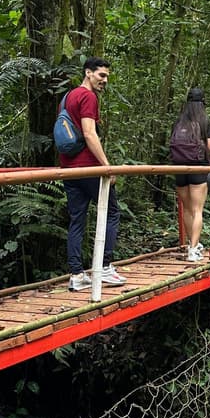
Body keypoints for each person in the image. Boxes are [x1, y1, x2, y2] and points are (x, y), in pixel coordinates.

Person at [58, 57, 127, 292]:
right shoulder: (88, 97)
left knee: (77, 219)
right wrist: (107, 166)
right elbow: (89, 134)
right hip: (88, 167)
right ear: (88, 73)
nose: (105, 80)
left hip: (69, 169)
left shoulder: (68, 97)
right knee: (111, 212)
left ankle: (76, 274)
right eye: (101, 75)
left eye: (107, 76)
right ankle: (105, 267)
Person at [170, 88, 210, 262]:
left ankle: (192, 244)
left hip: (179, 168)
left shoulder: (179, 121)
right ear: (202, 103)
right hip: (198, 167)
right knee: (197, 209)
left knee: (187, 209)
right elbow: (208, 146)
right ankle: (193, 250)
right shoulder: (204, 121)